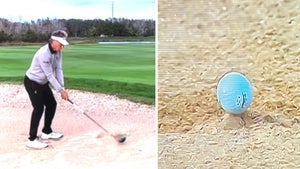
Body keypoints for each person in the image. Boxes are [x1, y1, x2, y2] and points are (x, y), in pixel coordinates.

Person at [24, 30, 70, 149]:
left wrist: (63, 88)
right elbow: (50, 75)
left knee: (52, 104)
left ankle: (46, 132)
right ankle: (32, 139)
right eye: (61, 44)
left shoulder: (58, 51)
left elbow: (59, 69)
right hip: (32, 82)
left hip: (42, 83)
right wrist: (60, 91)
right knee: (39, 108)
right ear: (54, 42)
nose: (62, 46)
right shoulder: (43, 54)